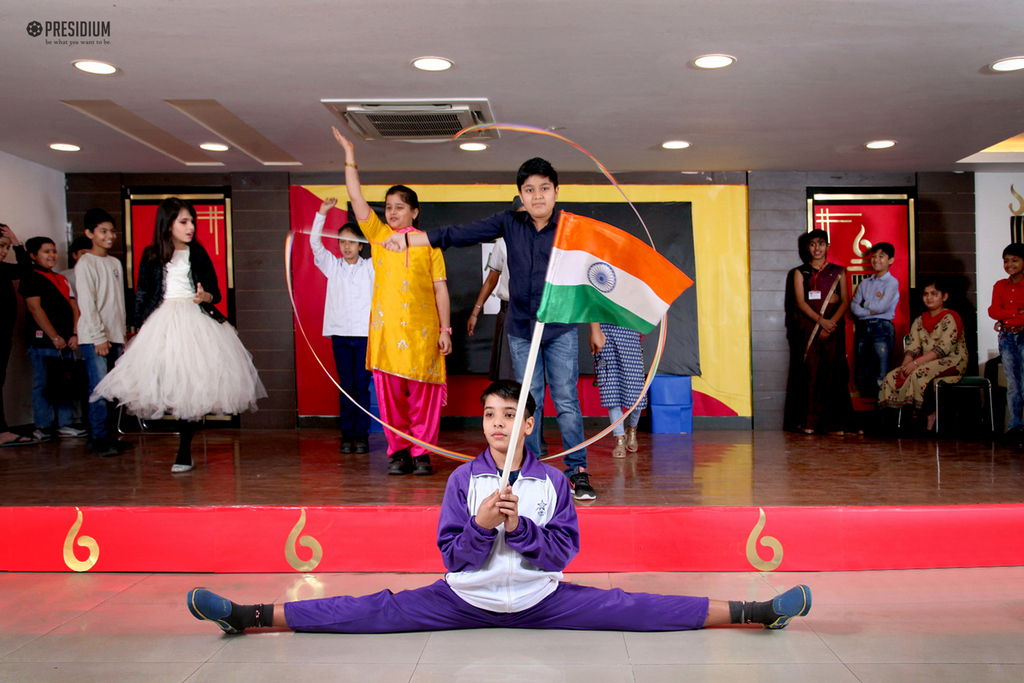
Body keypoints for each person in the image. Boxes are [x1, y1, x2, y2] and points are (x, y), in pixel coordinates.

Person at [187, 380, 812, 635]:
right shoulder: (463, 479)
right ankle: (252, 616)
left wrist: (527, 527)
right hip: (466, 599)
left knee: (634, 605)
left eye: (509, 415)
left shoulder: (554, 483)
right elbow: (452, 555)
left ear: (530, 423)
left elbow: (565, 551)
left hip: (545, 599)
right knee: (373, 609)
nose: (495, 424)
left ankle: (756, 610)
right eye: (488, 415)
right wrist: (484, 526)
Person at [384, 156, 601, 500]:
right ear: (521, 195)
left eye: (544, 188)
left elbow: (588, 279)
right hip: (520, 329)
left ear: (556, 192)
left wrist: (595, 327)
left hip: (560, 330)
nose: (538, 196)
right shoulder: (509, 222)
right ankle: (530, 474)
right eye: (529, 190)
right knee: (530, 404)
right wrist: (411, 241)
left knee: (567, 401)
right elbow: (458, 234)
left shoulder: (571, 228)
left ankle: (578, 471)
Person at [92, 197, 266, 473]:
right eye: (184, 221)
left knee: (192, 387)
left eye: (192, 221)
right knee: (168, 385)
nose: (191, 227)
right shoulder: (151, 255)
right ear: (168, 224)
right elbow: (143, 295)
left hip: (196, 321)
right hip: (161, 324)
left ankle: (184, 451)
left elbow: (215, 293)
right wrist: (136, 330)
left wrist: (204, 295)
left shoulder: (198, 253)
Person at [332, 128, 452, 476]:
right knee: (390, 400)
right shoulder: (380, 236)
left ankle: (422, 453)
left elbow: (440, 289)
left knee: (424, 399)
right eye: (388, 207)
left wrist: (445, 330)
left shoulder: (428, 244)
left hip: (424, 334)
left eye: (400, 207)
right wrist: (350, 155)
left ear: (414, 211)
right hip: (386, 335)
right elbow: (355, 200)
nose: (393, 212)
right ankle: (398, 451)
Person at [309, 199, 375, 455]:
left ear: (361, 245)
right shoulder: (332, 266)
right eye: (342, 242)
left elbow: (383, 251)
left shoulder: (370, 268)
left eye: (351, 242)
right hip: (339, 335)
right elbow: (315, 244)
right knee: (346, 386)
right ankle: (347, 435)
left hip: (363, 336)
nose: (346, 247)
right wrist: (321, 213)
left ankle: (362, 436)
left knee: (361, 387)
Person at [783, 229, 852, 435]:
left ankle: (835, 425)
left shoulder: (838, 271)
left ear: (828, 246)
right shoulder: (799, 272)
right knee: (811, 373)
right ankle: (809, 422)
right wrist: (821, 322)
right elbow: (800, 302)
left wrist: (831, 324)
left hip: (834, 327)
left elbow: (845, 301)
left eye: (821, 244)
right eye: (813, 244)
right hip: (809, 327)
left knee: (834, 372)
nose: (817, 248)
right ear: (807, 248)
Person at [19, 236, 89, 441]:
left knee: (64, 383)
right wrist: (54, 336)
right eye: (46, 252)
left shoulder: (62, 278)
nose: (52, 255)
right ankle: (43, 426)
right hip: (44, 341)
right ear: (33, 256)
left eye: (53, 251)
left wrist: (74, 333)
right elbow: (35, 309)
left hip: (66, 341)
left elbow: (75, 307)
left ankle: (65, 424)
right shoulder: (31, 277)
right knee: (43, 383)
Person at [878, 277, 968, 431]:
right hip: (925, 361)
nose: (929, 298)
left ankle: (928, 414)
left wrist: (915, 364)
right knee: (893, 376)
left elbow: (943, 349)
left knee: (918, 374)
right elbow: (912, 347)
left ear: (944, 297)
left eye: (934, 294)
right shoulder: (919, 320)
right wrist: (905, 366)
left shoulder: (951, 317)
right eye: (926, 294)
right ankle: (896, 422)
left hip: (951, 360)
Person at [75, 209, 131, 457]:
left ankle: (108, 436)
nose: (109, 236)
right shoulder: (85, 263)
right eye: (103, 231)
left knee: (112, 389)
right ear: (89, 233)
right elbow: (87, 304)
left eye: (112, 231)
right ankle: (97, 438)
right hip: (95, 338)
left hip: (115, 336)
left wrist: (122, 334)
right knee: (98, 388)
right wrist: (99, 337)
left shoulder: (115, 263)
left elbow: (118, 303)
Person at [0, 224, 37, 446]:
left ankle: (1, 430)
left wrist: (15, 242)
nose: (3, 252)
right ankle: (2, 431)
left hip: (4, 334)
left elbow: (26, 269)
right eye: (1, 246)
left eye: (5, 247)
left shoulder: (3, 268)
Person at [850, 242, 899, 399]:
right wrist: (871, 308)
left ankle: (883, 419)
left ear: (890, 260)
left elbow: (883, 307)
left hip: (882, 329)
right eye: (874, 256)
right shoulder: (865, 283)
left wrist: (865, 304)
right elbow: (854, 308)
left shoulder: (892, 282)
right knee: (862, 374)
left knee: (881, 376)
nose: (876, 259)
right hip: (863, 328)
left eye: (881, 256)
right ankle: (869, 416)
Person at [593, 324, 647, 457]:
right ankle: (619, 439)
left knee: (636, 390)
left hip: (629, 329)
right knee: (611, 391)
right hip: (605, 331)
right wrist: (595, 331)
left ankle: (632, 428)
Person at [988, 243, 1024, 443]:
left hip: (1022, 335)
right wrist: (1016, 313)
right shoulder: (1000, 285)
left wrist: (1007, 317)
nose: (1009, 264)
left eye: (1015, 260)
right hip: (1007, 337)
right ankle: (1015, 427)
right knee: (1013, 384)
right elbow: (993, 311)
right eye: (1006, 261)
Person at [466, 237, 515, 382]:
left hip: (539, 314)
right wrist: (475, 312)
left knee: (534, 378)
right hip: (510, 311)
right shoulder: (503, 243)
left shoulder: (548, 240)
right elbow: (491, 280)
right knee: (506, 377)